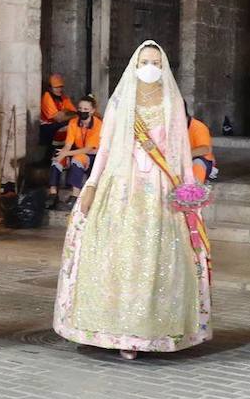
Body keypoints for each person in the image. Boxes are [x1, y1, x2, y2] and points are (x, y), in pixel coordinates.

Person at [53, 41, 212, 360]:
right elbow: (105, 149)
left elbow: (180, 153)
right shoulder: (119, 103)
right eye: (144, 62)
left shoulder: (171, 102)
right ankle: (115, 329)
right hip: (120, 185)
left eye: (155, 61)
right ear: (134, 66)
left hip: (159, 190)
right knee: (117, 255)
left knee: (154, 257)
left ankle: (150, 330)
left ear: (164, 66)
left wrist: (188, 191)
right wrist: (93, 186)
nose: (150, 67)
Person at [48, 95, 100, 209]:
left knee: (78, 158)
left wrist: (66, 153)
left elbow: (89, 149)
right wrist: (63, 153)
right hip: (76, 151)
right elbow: (68, 144)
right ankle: (53, 193)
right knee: (57, 155)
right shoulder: (73, 122)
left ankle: (75, 196)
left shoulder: (98, 124)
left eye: (86, 109)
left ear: (92, 111)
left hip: (92, 156)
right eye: (80, 109)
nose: (82, 111)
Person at [39, 74, 77, 156]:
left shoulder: (63, 97)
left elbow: (76, 113)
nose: (59, 89)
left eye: (60, 87)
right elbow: (58, 118)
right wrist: (67, 113)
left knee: (75, 123)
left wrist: (66, 114)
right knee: (68, 125)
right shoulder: (47, 96)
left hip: (57, 124)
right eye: (56, 87)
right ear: (50, 88)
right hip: (46, 127)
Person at [186, 105, 217, 184]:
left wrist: (184, 155)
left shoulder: (198, 127)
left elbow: (205, 149)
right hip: (180, 160)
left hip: (199, 160)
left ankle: (194, 189)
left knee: (198, 163)